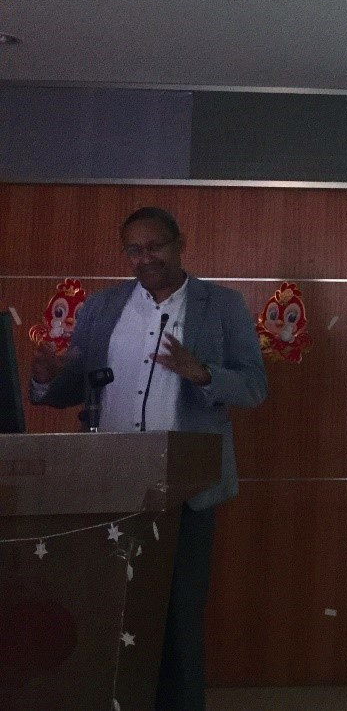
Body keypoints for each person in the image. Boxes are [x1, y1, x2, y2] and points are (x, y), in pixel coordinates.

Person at [29, 206, 267, 711]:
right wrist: (48, 378)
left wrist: (204, 374)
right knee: (107, 609)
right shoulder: (102, 308)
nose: (145, 258)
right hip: (108, 486)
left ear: (180, 243)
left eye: (155, 246)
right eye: (133, 250)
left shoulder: (221, 306)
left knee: (179, 616)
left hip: (187, 488)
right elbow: (74, 388)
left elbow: (253, 386)